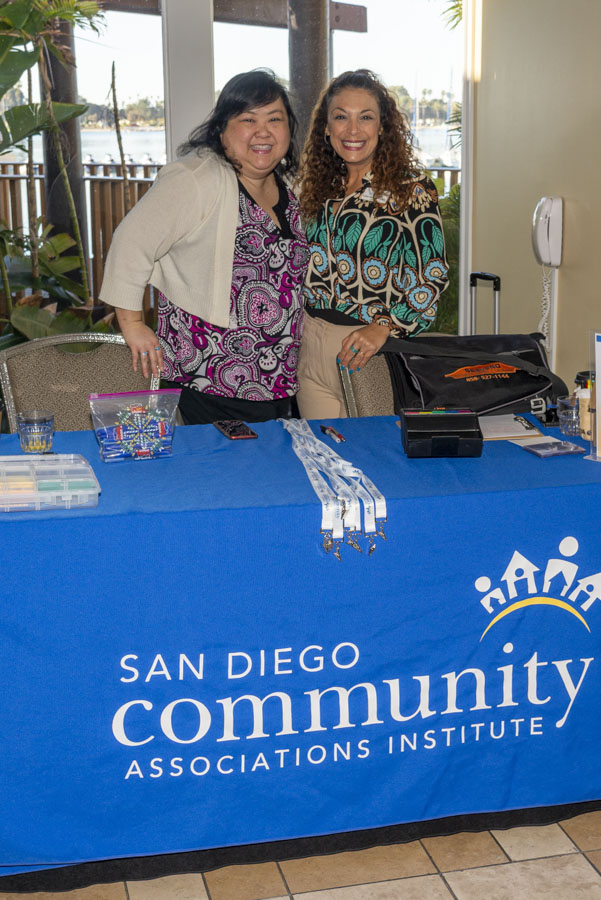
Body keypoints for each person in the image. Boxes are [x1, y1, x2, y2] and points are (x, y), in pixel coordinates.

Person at [99, 70, 310, 424]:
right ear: (222, 130)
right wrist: (132, 324)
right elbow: (130, 242)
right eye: (248, 120)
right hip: (209, 376)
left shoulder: (289, 185)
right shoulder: (196, 178)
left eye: (275, 119)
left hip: (278, 378)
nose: (263, 131)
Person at [297, 69, 449, 419]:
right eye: (341, 117)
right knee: (320, 449)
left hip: (366, 350)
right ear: (326, 128)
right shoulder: (316, 187)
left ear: (382, 127)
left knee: (373, 452)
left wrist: (385, 327)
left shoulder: (410, 189)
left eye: (365, 117)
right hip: (310, 344)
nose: (353, 130)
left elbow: (433, 275)